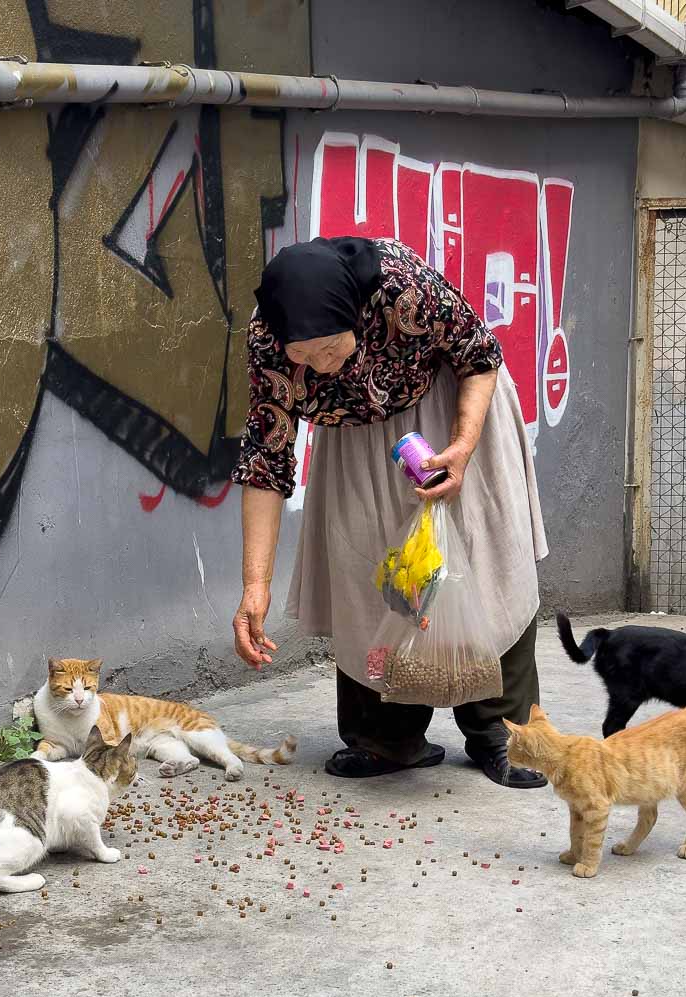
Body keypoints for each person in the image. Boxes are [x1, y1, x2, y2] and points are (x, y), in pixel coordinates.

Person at [230, 235, 548, 787]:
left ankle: (502, 733)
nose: (321, 366)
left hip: (452, 409)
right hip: (356, 440)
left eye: (331, 346)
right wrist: (253, 585)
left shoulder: (403, 287)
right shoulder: (267, 337)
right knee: (368, 574)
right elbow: (265, 458)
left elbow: (479, 355)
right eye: (304, 355)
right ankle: (386, 737)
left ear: (355, 312)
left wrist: (463, 447)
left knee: (482, 561)